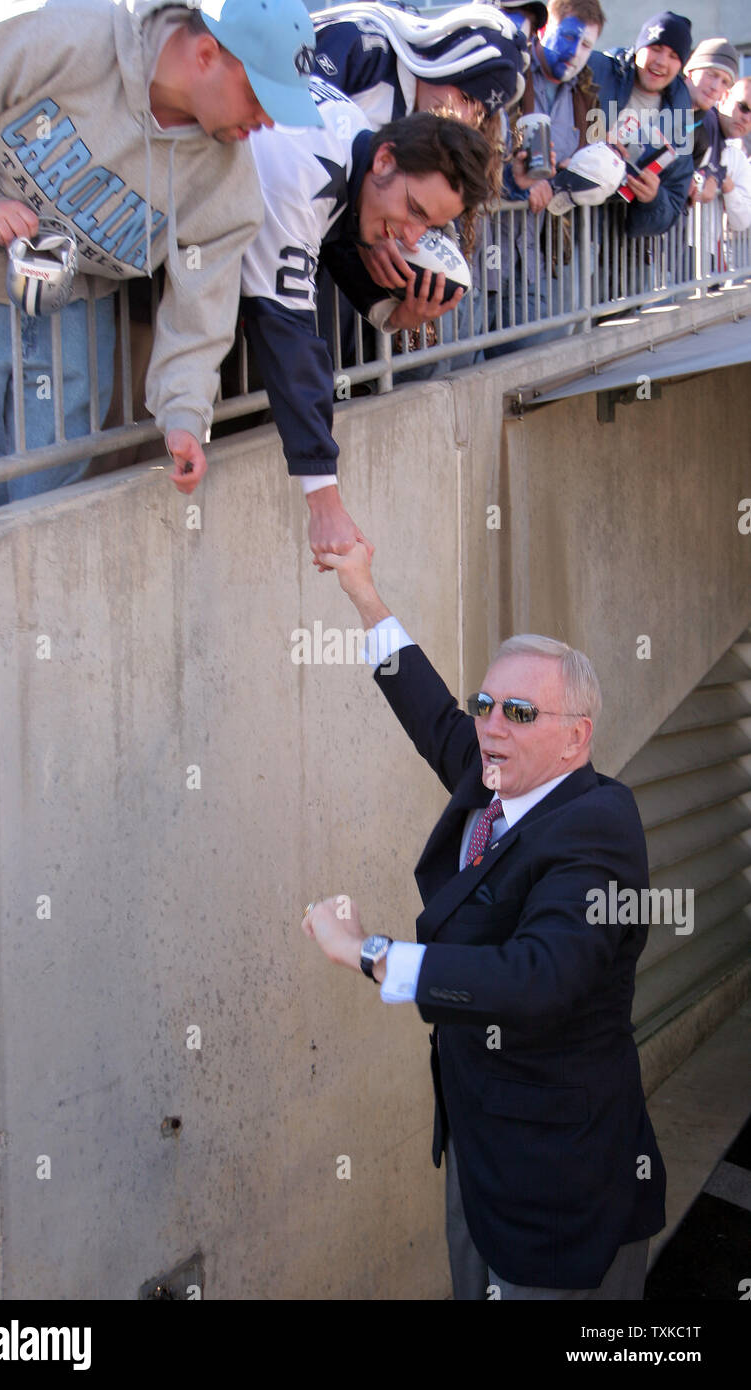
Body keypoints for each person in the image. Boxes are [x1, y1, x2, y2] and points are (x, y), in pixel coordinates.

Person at [301, 541, 666, 1299]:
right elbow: (430, 712)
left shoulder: (597, 825)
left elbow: (539, 979)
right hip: (477, 1140)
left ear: (576, 736)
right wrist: (364, 593)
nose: (490, 725)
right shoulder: (494, 776)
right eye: (487, 705)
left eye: (521, 712)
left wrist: (368, 952)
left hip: (557, 1180)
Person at [0, 0, 320, 516]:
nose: (267, 120)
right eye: (259, 96)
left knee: (43, 501)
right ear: (207, 53)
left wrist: (184, 415)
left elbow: (199, 309)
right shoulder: (70, 28)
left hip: (73, 311)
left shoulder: (225, 184)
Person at [240, 77, 497, 569]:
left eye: (430, 226)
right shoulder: (301, 161)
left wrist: (393, 313)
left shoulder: (356, 138)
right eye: (414, 211)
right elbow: (285, 329)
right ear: (384, 160)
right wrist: (324, 501)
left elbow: (333, 230)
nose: (412, 237)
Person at [309, 4, 528, 377]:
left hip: (297, 255)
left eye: (476, 112)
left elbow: (337, 213)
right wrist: (370, 233)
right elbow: (286, 147)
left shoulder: (418, 122)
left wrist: (391, 310)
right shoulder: (361, 46)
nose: (461, 115)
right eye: (466, 97)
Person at [488, 0, 606, 353]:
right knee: (470, 359)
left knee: (535, 356)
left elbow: (595, 153)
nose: (575, 51)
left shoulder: (589, 97)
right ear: (542, 30)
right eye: (568, 36)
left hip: (541, 254)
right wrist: (518, 180)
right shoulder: (510, 73)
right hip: (487, 247)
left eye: (586, 45)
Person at [585, 10, 694, 237]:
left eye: (674, 56)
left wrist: (652, 199)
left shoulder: (678, 122)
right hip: (566, 225)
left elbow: (673, 205)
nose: (661, 62)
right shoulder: (596, 69)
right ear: (639, 48)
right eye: (655, 48)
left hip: (625, 250)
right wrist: (591, 139)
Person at [683, 38, 739, 208]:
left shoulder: (707, 121)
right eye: (711, 74)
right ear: (690, 72)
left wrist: (713, 177)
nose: (716, 86)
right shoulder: (660, 101)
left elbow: (716, 164)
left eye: (724, 82)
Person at [716, 79, 751, 233]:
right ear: (724, 97)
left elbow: (742, 221)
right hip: (665, 246)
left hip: (706, 251)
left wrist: (728, 186)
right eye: (743, 107)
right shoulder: (693, 123)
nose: (747, 119)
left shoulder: (738, 158)